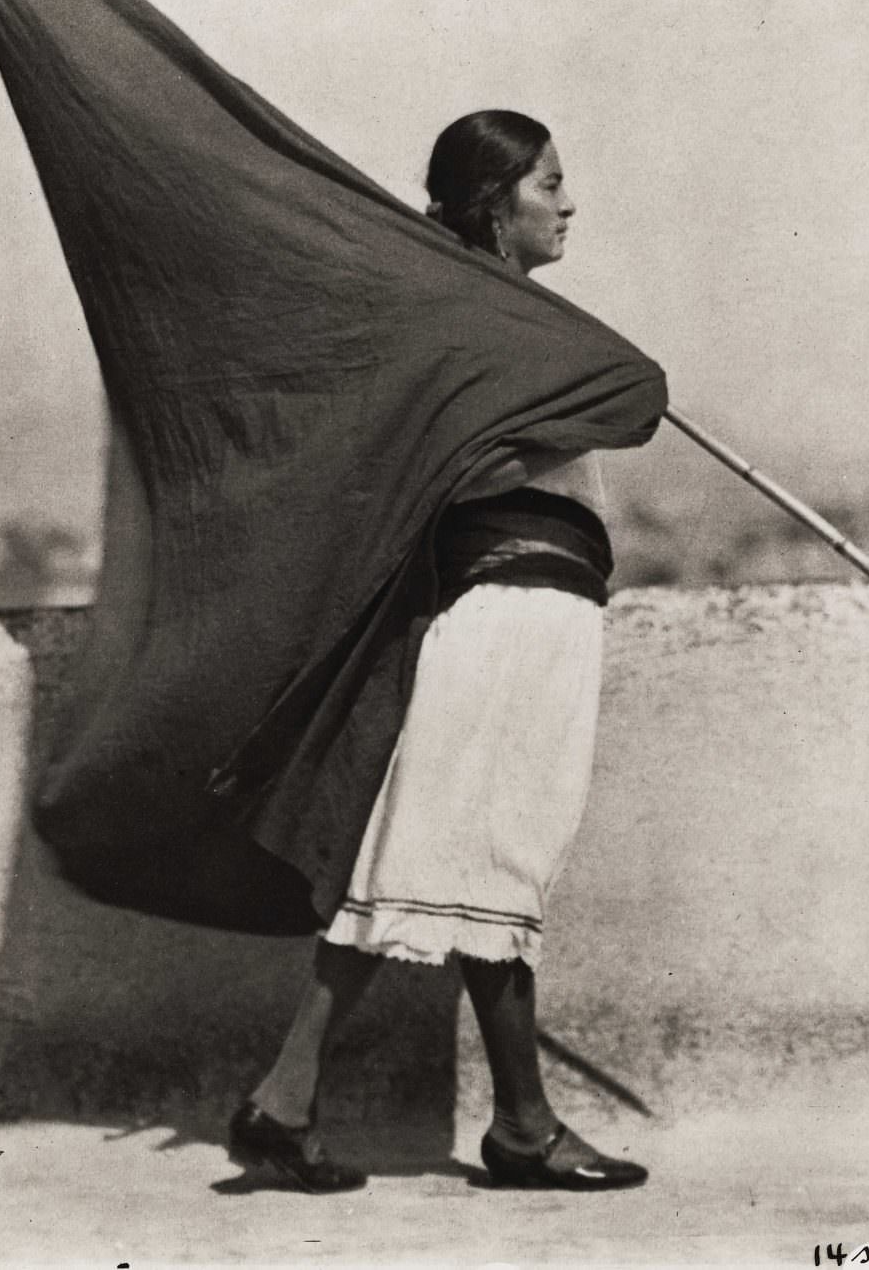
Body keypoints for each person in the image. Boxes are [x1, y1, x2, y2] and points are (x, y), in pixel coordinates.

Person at [228, 111, 651, 1195]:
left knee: (442, 866)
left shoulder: (506, 324)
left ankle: (341, 1107)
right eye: (549, 184)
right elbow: (620, 401)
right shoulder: (480, 329)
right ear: (495, 205)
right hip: (504, 614)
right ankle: (503, 1127)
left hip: (532, 611)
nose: (568, 203)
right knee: (462, 862)